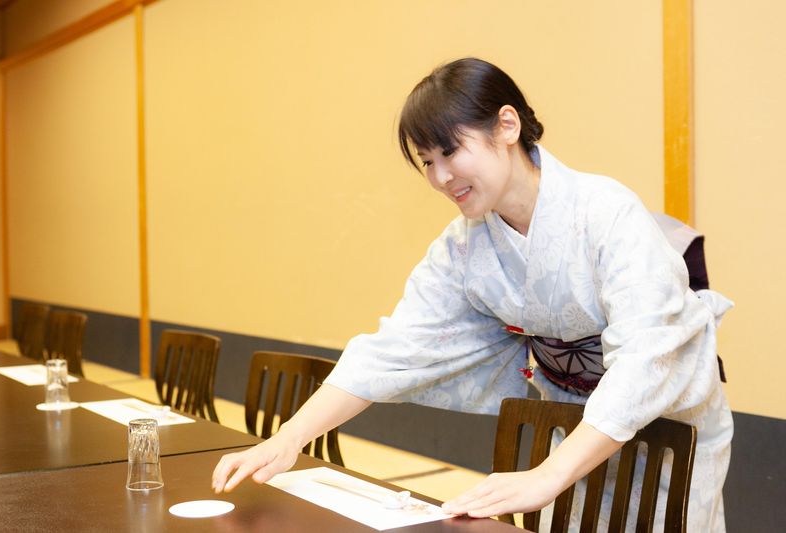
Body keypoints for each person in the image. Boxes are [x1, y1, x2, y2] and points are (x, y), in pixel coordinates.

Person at [212, 58, 733, 531]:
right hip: (576, 420)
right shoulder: (464, 245)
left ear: (507, 126)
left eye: (450, 151)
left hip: (669, 426)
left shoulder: (606, 212)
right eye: (426, 161)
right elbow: (394, 350)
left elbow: (645, 359)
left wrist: (548, 475)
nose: (440, 177)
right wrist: (288, 438)